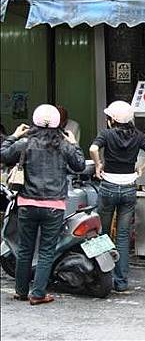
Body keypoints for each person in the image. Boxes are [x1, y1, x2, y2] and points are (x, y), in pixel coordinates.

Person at [0, 104, 85, 305]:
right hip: (54, 206)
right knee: (47, 250)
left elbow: (3, 155)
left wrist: (13, 135)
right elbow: (80, 165)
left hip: (27, 204)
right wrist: (74, 144)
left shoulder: (25, 144)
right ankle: (38, 294)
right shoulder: (64, 146)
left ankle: (21, 291)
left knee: (25, 248)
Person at [89, 100, 145, 292]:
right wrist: (141, 170)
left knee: (101, 233)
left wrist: (97, 165)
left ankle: (103, 278)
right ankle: (121, 282)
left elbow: (93, 149)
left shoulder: (106, 134)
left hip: (108, 186)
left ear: (112, 119)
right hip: (129, 187)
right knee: (122, 236)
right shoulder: (138, 136)